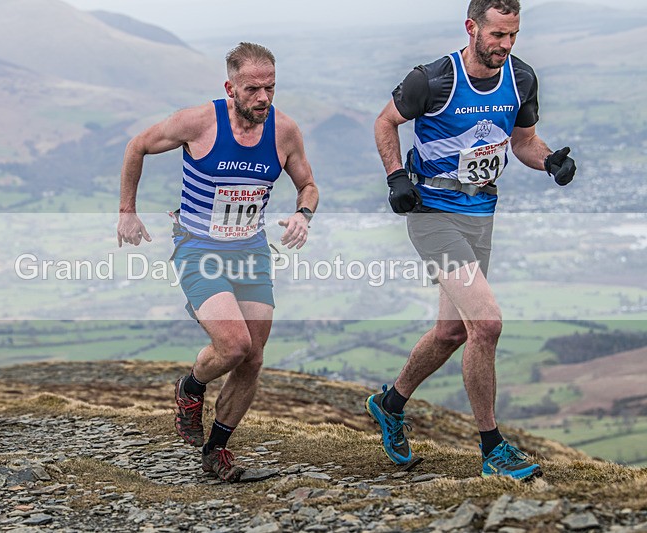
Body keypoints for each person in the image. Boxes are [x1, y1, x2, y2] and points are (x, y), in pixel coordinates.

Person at [367, 0, 576, 480]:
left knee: (452, 331)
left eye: (513, 35)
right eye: (497, 35)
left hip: (481, 213)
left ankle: (389, 404)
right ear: (472, 28)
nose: (505, 45)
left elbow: (523, 141)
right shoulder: (432, 79)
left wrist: (549, 162)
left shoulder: (521, 78)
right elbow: (385, 122)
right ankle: (492, 448)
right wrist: (396, 176)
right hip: (432, 214)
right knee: (486, 323)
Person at [117, 42, 319, 482]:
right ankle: (191, 387)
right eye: (252, 89)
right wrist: (126, 211)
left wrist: (303, 215)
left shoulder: (284, 131)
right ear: (230, 88)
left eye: (270, 88)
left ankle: (216, 450)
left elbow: (307, 184)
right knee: (233, 345)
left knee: (253, 359)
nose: (263, 98)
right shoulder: (198, 122)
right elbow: (137, 146)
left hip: (251, 252)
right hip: (199, 248)